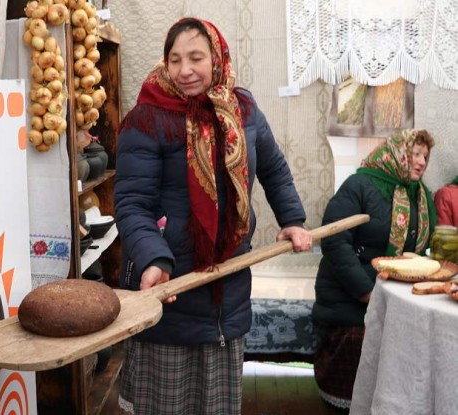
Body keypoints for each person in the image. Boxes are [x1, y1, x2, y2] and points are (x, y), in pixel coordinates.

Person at [113, 17, 312, 415]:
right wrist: (153, 258)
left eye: (196, 57)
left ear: (217, 57)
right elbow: (132, 202)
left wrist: (292, 219)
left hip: (229, 284)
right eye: (175, 59)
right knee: (165, 405)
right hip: (171, 289)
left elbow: (273, 169)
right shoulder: (148, 119)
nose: (184, 70)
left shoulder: (246, 112)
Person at [311, 129, 436, 410]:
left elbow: (419, 253)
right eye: (415, 153)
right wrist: (366, 291)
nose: (420, 162)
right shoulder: (359, 185)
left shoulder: (421, 197)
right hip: (349, 297)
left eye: (425, 157)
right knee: (362, 340)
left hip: (393, 298)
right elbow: (334, 239)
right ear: (395, 152)